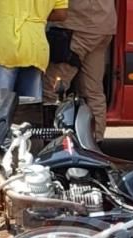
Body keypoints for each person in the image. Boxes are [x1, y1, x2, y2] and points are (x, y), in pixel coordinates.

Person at [0, 0, 68, 203]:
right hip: (35, 47)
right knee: (29, 124)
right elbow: (61, 13)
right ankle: (28, 183)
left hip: (3, 44)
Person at [43, 0, 117, 142]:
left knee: (51, 89)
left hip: (79, 25)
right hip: (104, 24)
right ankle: (95, 143)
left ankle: (52, 143)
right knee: (92, 91)